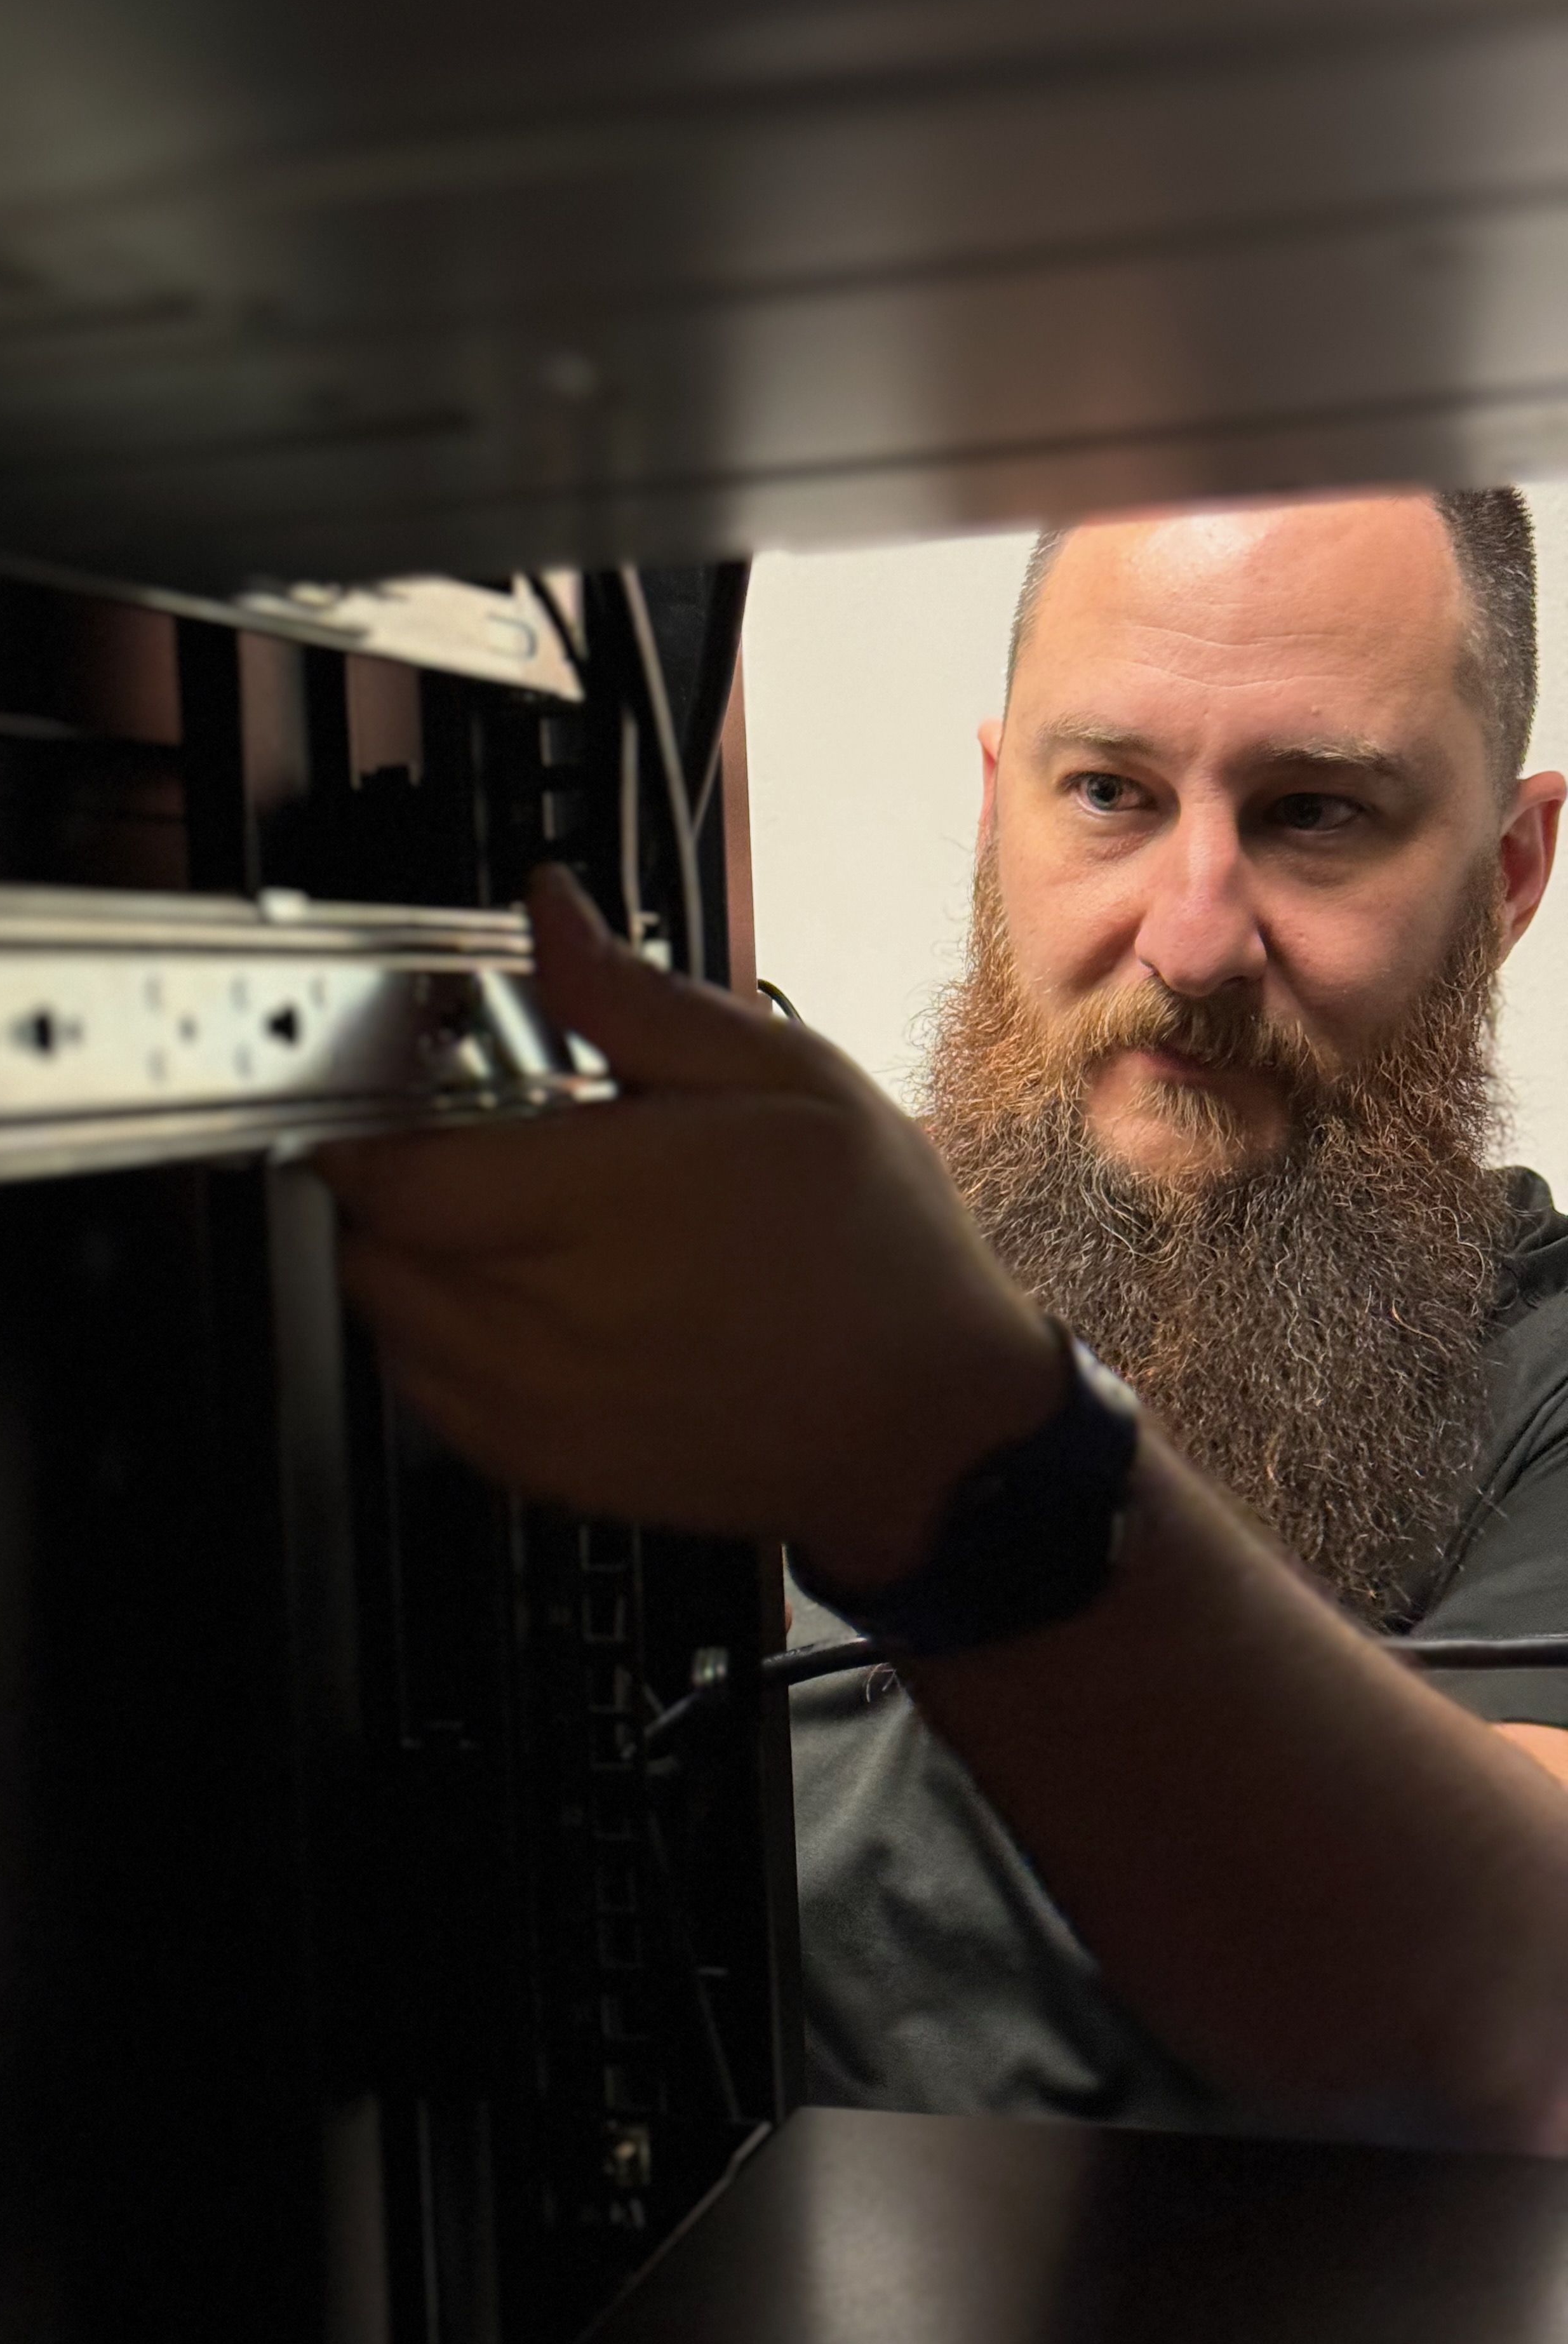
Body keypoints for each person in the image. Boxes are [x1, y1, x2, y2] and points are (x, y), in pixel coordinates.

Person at [319, 488, 1568, 2154]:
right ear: (1000, 810)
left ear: (1508, 871)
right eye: (1111, 794)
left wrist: (955, 1460)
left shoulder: (1540, 1381)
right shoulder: (741, 1294)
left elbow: (1521, 2017)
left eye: (1316, 814)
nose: (1191, 938)